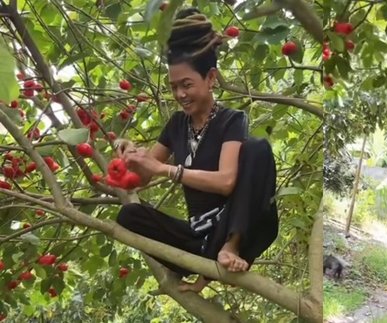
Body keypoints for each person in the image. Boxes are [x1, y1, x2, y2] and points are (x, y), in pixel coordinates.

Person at [114, 7, 279, 294]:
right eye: (174, 86)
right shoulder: (177, 124)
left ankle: (232, 247)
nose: (179, 94)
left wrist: (167, 170)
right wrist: (130, 157)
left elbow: (226, 182)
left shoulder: (231, 120)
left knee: (257, 149)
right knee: (129, 215)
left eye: (186, 84)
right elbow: (142, 178)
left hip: (232, 226)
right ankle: (208, 260)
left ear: (211, 78)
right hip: (198, 239)